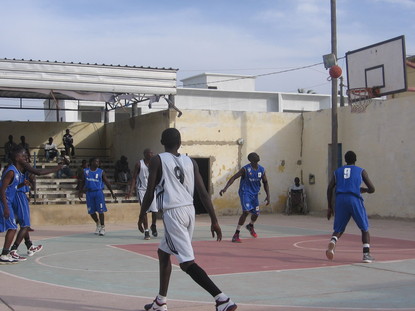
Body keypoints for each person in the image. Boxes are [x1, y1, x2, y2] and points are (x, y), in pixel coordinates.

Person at [138, 128, 237, 311]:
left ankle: (222, 299)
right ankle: (160, 302)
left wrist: (142, 213)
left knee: (186, 263)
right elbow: (203, 193)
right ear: (180, 142)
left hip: (173, 212)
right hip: (189, 211)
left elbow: (150, 191)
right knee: (163, 253)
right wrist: (214, 220)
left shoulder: (157, 160)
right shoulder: (190, 161)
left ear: (162, 141)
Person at [9, 155, 63, 261]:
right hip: (18, 196)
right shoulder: (21, 167)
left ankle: (29, 246)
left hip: (20, 195)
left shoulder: (21, 169)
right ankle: (13, 250)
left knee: (23, 223)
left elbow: (32, 184)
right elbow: (39, 172)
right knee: (25, 225)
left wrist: (31, 184)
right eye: (25, 157)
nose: (27, 160)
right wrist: (57, 168)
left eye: (28, 158)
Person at [326, 150, 376, 263]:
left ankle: (333, 241)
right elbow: (372, 189)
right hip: (354, 199)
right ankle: (366, 254)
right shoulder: (361, 171)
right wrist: (364, 190)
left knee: (339, 228)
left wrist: (329, 206)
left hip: (340, 199)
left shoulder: (337, 171)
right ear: (355, 160)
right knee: (364, 228)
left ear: (345, 160)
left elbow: (329, 188)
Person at [219, 152, 270, 243]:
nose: (257, 156)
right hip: (245, 193)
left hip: (254, 195)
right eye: (255, 155)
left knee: (256, 213)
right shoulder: (245, 169)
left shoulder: (261, 170)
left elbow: (265, 182)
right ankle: (236, 234)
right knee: (246, 212)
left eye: (257, 155)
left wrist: (268, 195)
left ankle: (250, 226)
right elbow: (234, 177)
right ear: (251, 159)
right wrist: (225, 188)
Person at [0, 145, 27, 263]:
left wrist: (22, 185)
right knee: (12, 227)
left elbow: (13, 188)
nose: (25, 157)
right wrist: (6, 207)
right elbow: (2, 189)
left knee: (8, 227)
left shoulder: (17, 172)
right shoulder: (11, 171)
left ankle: (5, 254)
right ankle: (4, 254)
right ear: (17, 157)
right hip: (4, 202)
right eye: (23, 155)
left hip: (7, 202)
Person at [78, 157, 116, 236]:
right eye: (96, 161)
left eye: (99, 161)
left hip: (98, 193)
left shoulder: (101, 172)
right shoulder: (85, 171)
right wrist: (80, 191)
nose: (98, 163)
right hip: (89, 193)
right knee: (91, 211)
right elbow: (82, 182)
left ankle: (102, 227)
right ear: (91, 162)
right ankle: (98, 223)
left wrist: (112, 192)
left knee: (101, 211)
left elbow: (107, 182)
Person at [126, 148, 158, 240]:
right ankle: (146, 231)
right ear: (145, 154)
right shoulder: (139, 164)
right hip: (142, 190)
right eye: (150, 153)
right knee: (144, 211)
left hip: (153, 189)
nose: (152, 154)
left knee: (155, 211)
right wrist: (131, 191)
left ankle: (154, 225)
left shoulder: (155, 164)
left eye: (152, 153)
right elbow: (134, 178)